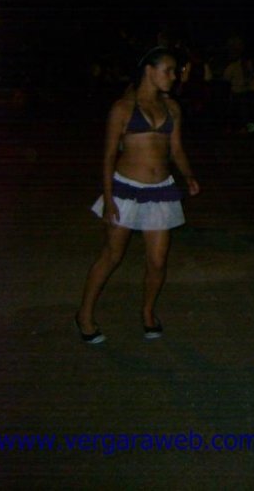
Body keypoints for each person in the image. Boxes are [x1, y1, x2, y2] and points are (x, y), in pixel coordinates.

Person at [75, 46, 200, 344]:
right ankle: (84, 314)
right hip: (125, 190)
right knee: (112, 256)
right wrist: (108, 199)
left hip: (161, 191)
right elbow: (108, 156)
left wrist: (189, 176)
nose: (174, 76)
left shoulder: (172, 108)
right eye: (168, 70)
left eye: (175, 71)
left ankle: (147, 312)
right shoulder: (122, 108)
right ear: (149, 71)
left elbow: (176, 149)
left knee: (157, 261)